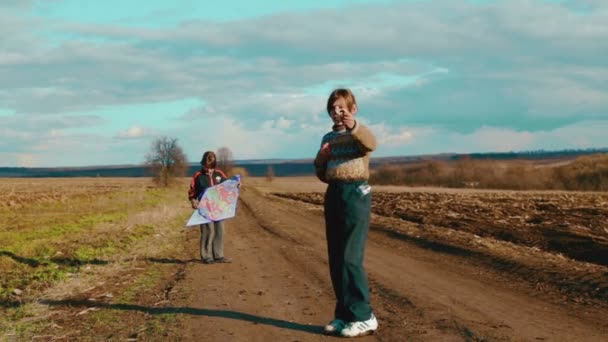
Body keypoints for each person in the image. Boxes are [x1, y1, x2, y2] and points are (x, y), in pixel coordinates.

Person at [313, 88, 378, 337]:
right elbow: (321, 173)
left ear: (353, 109)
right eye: (333, 108)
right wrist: (321, 157)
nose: (336, 112)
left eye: (341, 107)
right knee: (337, 258)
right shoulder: (327, 137)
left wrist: (355, 127)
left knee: (351, 257)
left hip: (356, 194)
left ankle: (364, 316)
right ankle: (344, 315)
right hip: (335, 193)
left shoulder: (359, 133)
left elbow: (371, 144)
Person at [188, 151, 232, 264]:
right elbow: (192, 191)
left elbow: (228, 186)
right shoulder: (198, 176)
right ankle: (206, 256)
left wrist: (236, 185)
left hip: (218, 208)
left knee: (219, 231)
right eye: (207, 167)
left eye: (211, 167)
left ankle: (219, 255)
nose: (209, 170)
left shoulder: (219, 174)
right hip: (205, 208)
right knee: (208, 231)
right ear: (203, 163)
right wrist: (193, 201)